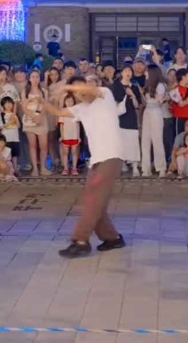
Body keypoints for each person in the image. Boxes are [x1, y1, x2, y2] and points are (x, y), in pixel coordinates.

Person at [43, 78, 125, 258]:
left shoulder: (105, 95)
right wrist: (44, 100)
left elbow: (90, 89)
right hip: (96, 159)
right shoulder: (81, 108)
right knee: (94, 200)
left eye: (83, 88)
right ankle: (112, 238)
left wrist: (66, 86)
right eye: (78, 92)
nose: (82, 92)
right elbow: (57, 112)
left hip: (111, 155)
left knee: (94, 199)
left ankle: (80, 240)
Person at [112, 65, 143, 176]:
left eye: (129, 71)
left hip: (131, 116)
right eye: (125, 71)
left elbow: (137, 105)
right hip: (118, 117)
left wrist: (133, 95)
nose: (128, 73)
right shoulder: (116, 86)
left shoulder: (134, 87)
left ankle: (134, 166)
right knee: (120, 142)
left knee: (133, 141)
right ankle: (122, 163)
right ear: (122, 73)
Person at [22, 69, 50, 176]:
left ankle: (43, 167)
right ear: (29, 78)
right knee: (32, 145)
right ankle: (35, 168)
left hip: (42, 120)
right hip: (29, 120)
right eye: (33, 77)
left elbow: (46, 106)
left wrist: (40, 117)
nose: (35, 79)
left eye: (37, 77)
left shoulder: (44, 91)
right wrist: (34, 117)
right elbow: (24, 108)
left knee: (44, 146)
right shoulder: (25, 91)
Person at [140, 65, 167, 178]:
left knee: (157, 140)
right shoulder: (147, 84)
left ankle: (161, 167)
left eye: (147, 72)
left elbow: (159, 101)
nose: (145, 74)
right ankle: (145, 169)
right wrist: (142, 93)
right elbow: (146, 102)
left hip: (156, 111)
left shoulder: (160, 85)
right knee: (145, 140)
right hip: (147, 111)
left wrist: (157, 95)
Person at [58, 94, 81, 175]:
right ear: (64, 102)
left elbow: (78, 125)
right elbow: (61, 125)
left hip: (74, 135)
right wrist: (62, 136)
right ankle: (66, 168)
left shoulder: (76, 112)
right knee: (65, 152)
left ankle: (74, 168)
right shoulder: (62, 112)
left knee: (74, 152)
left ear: (74, 102)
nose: (69, 103)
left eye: (71, 101)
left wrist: (78, 136)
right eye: (67, 101)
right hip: (66, 136)